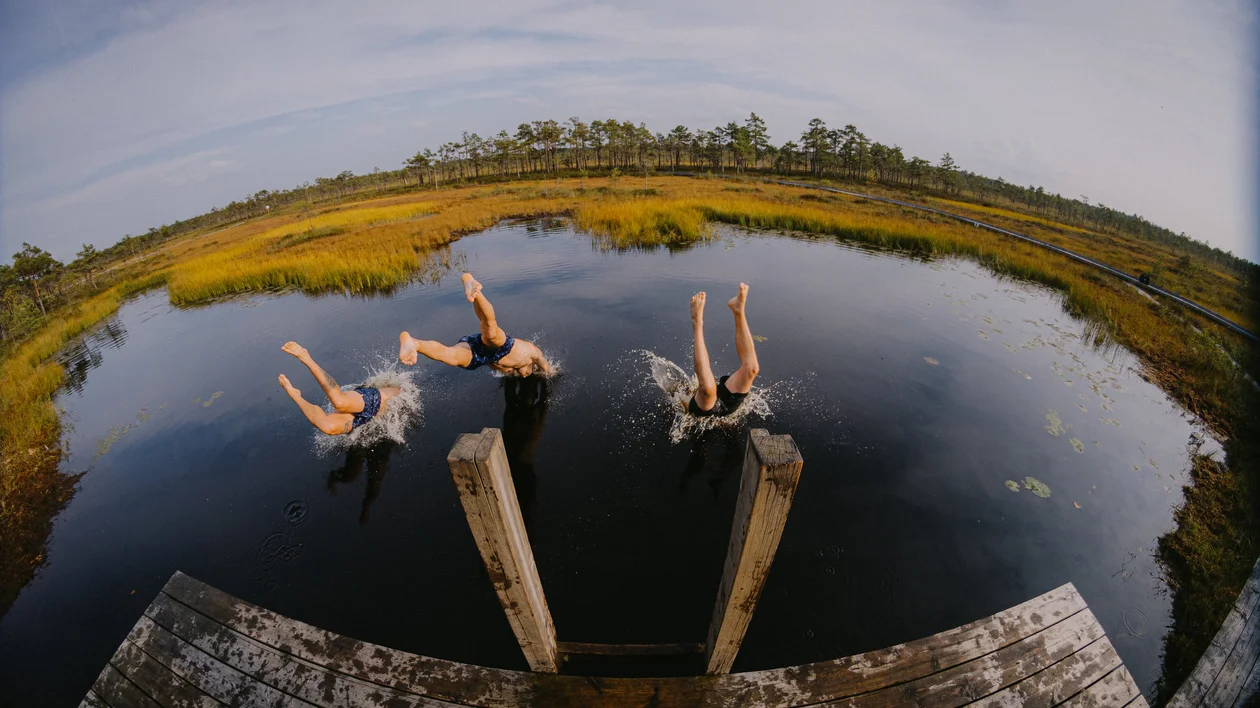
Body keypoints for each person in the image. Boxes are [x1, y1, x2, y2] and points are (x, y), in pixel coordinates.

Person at [398, 272, 552, 377]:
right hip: (505, 347)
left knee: (451, 356)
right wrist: (550, 374)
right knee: (490, 330)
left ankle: (414, 343)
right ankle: (472, 286)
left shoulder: (513, 371)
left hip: (482, 357)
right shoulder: (532, 353)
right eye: (529, 373)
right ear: (532, 365)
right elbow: (547, 368)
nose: (525, 376)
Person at [277, 341, 400, 435]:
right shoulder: (402, 391)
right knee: (339, 402)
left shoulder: (403, 403)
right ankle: (306, 358)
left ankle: (295, 395)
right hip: (373, 400)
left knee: (328, 428)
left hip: (364, 418)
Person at [688, 282, 759, 417]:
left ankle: (738, 308)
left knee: (752, 370)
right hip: (704, 407)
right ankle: (697, 321)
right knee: (707, 390)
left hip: (726, 407)